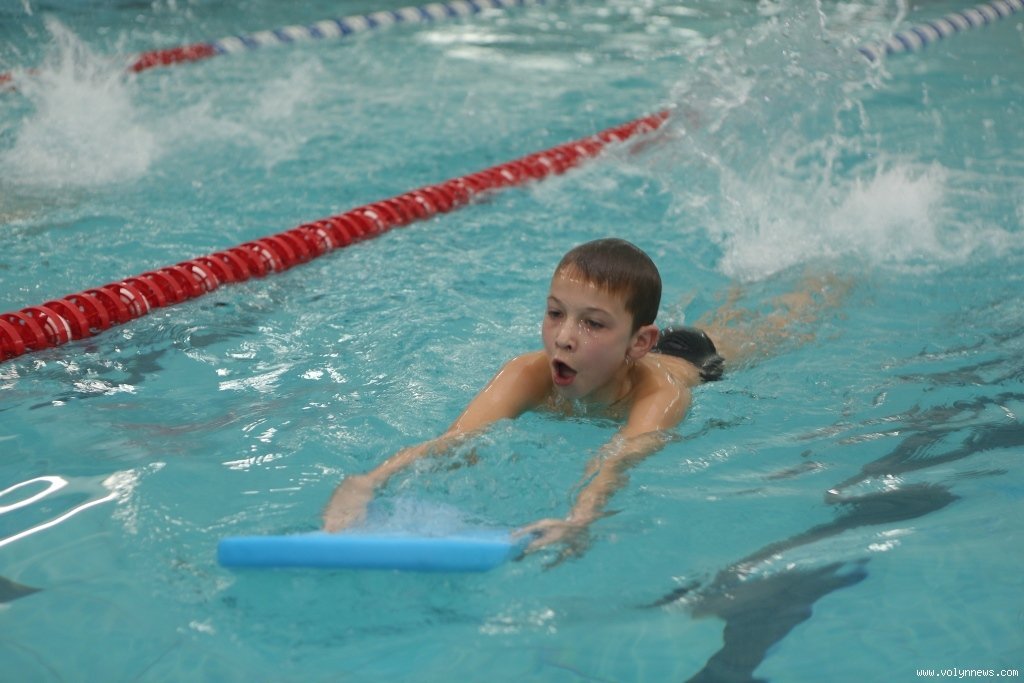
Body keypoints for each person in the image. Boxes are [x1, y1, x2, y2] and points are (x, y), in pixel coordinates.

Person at [323, 237, 842, 558]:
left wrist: (580, 519)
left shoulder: (660, 396)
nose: (564, 337)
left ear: (637, 343)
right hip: (642, 343)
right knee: (728, 302)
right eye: (555, 313)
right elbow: (457, 439)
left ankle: (827, 274)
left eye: (591, 323)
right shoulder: (529, 372)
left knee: (778, 321)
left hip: (696, 360)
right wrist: (368, 482)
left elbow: (616, 460)